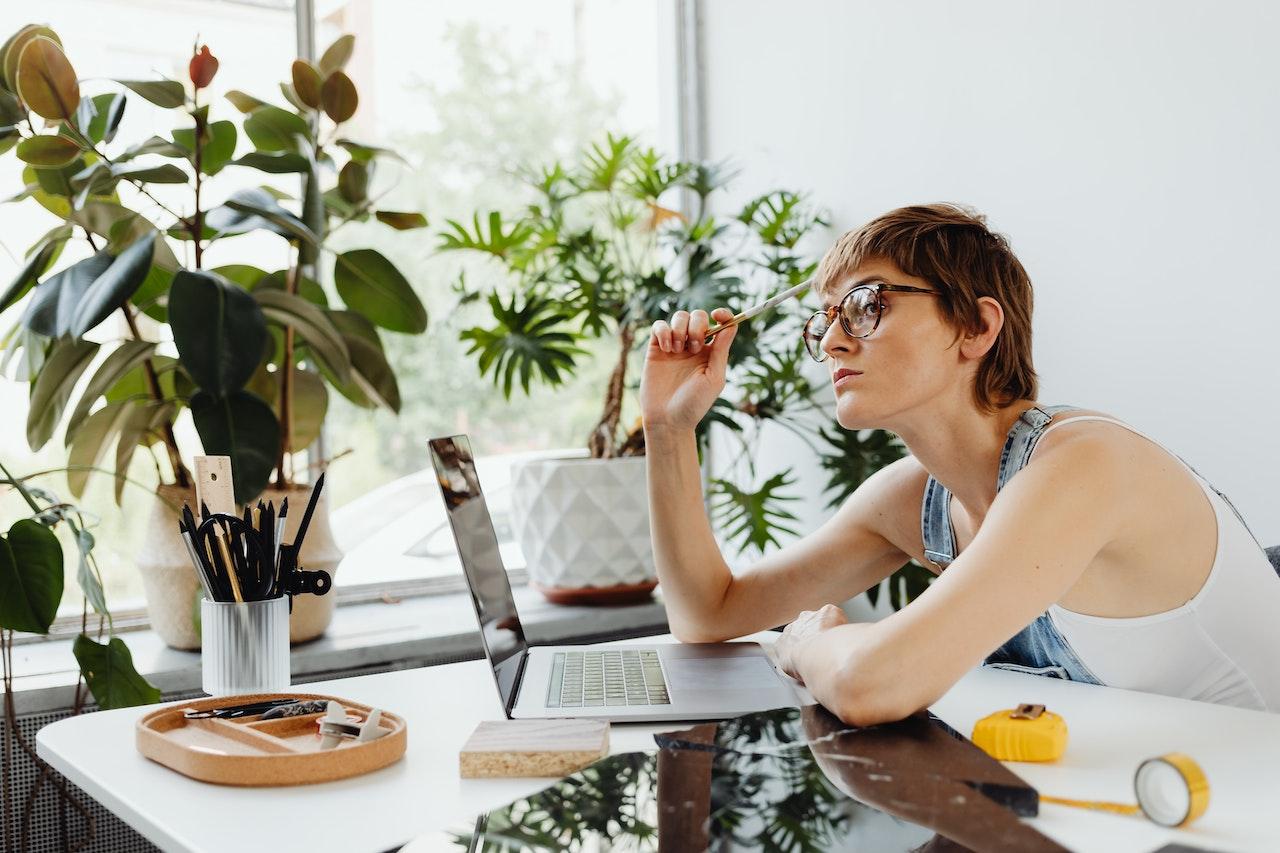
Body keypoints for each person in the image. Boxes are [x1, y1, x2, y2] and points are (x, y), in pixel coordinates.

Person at [640, 203, 1280, 725]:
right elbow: (708, 614)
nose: (833, 338)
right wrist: (668, 430)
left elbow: (875, 685)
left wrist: (807, 644)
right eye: (825, 319)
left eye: (866, 305)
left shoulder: (1088, 463)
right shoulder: (913, 502)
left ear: (976, 325)